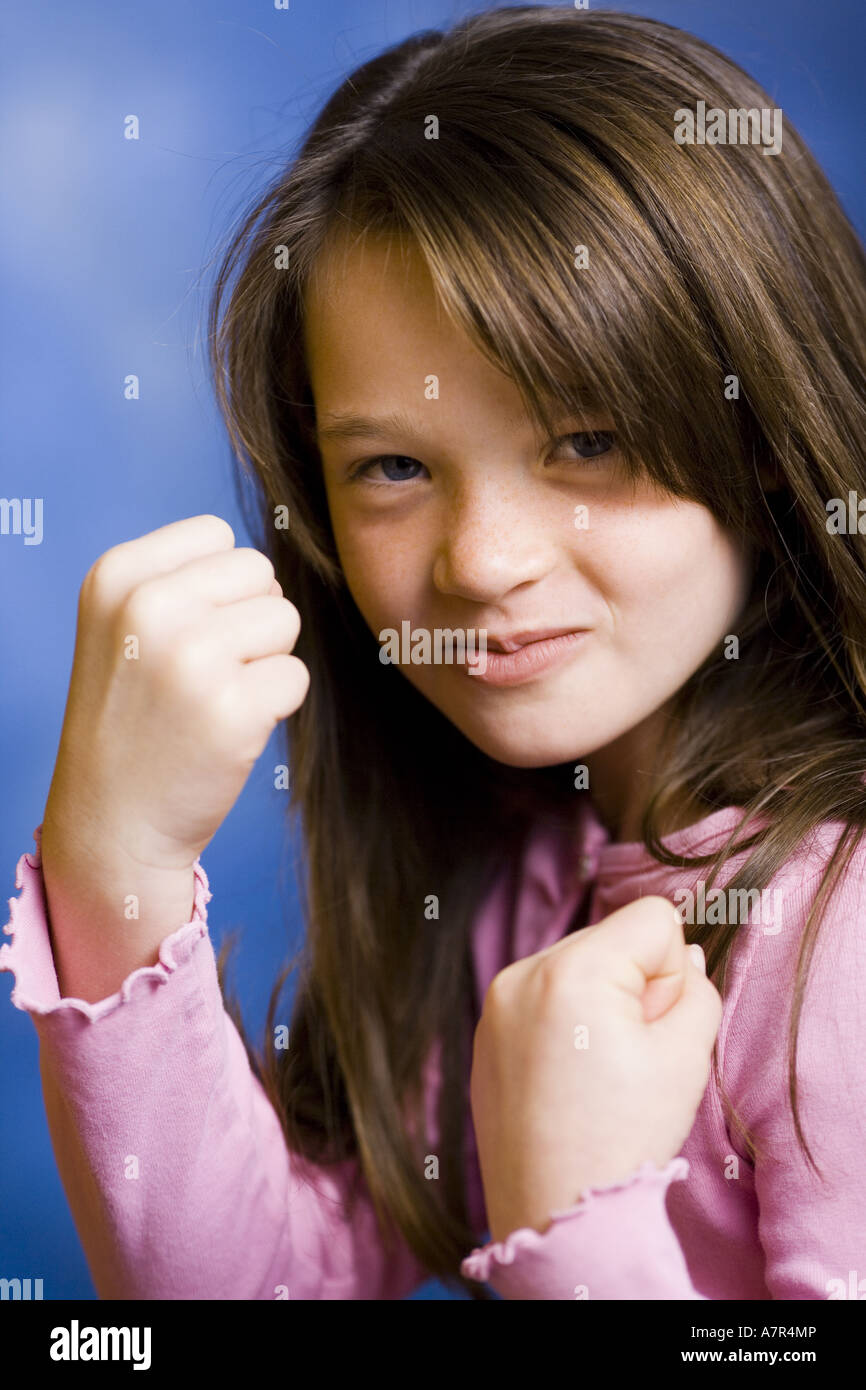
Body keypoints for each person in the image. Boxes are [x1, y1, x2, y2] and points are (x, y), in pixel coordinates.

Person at [4, 5, 866, 1300]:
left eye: (586, 441)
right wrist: (111, 868)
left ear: (762, 430)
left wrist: (576, 1218)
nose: (481, 558)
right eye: (393, 467)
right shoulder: (521, 864)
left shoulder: (836, 927)